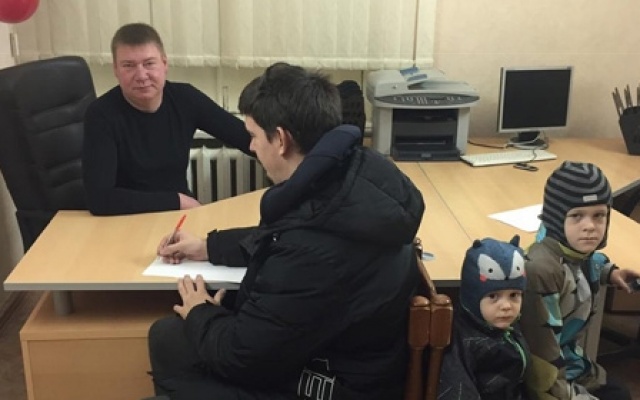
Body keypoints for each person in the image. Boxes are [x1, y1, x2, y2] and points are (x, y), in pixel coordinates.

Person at [146, 62, 425, 399]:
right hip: (352, 361)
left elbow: (242, 359)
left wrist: (199, 311)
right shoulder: (351, 176)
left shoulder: (310, 251)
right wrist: (209, 246)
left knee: (170, 341)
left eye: (253, 136)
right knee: (169, 337)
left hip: (331, 383)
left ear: (280, 139)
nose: (251, 147)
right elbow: (289, 234)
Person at [82, 23, 251, 216]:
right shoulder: (100, 114)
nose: (141, 75)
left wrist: (281, 161)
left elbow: (246, 138)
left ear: (164, 64)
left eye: (149, 63)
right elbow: (100, 199)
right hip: (125, 219)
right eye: (128, 66)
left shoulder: (185, 98)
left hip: (177, 216)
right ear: (115, 70)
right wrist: (177, 200)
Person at [521, 161, 639, 400]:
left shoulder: (572, 250)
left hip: (572, 362)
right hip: (546, 378)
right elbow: (542, 358)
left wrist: (610, 272)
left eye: (599, 216)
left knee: (620, 394)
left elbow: (588, 260)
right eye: (577, 216)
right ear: (556, 218)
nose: (590, 227)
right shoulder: (541, 270)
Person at [438, 235, 530, 400]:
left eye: (514, 295)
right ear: (472, 299)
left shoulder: (503, 326)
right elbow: (458, 391)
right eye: (493, 296)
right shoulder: (463, 341)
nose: (506, 306)